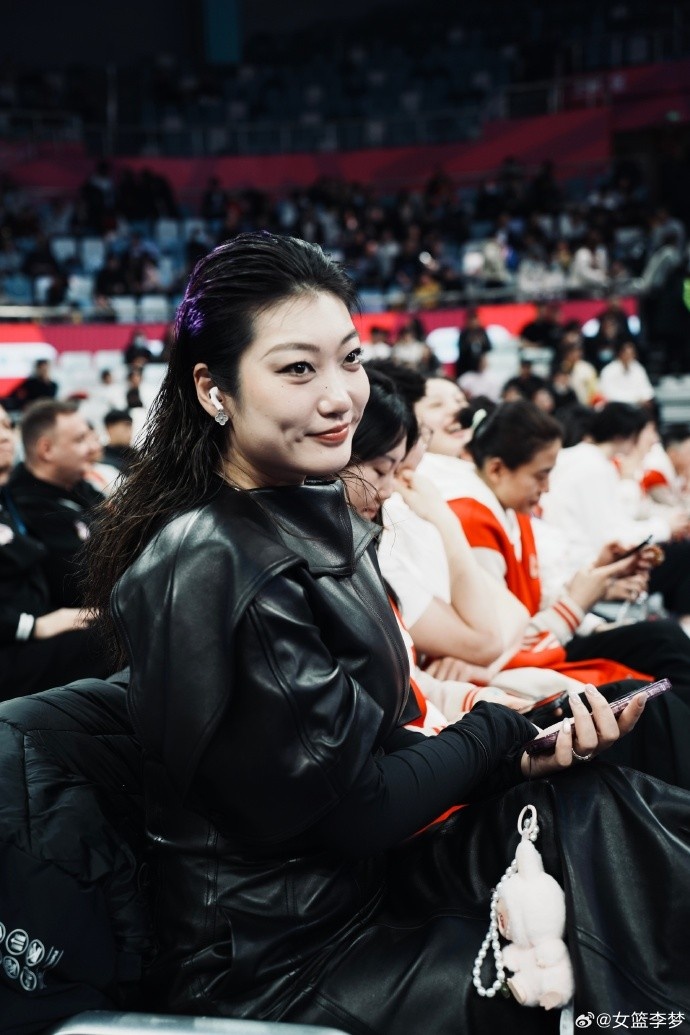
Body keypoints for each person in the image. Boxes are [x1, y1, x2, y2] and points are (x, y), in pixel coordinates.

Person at [83, 233, 690, 1029]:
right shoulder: (220, 559)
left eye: (351, 359)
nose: (340, 396)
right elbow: (354, 806)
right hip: (285, 958)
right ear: (213, 389)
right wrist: (495, 730)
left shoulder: (302, 518)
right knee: (617, 897)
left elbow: (352, 743)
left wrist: (519, 748)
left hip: (360, 889)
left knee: (601, 806)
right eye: (298, 369)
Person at [0, 403, 109, 697]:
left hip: (31, 632)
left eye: (7, 425)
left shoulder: (8, 501)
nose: (5, 436)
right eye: (79, 439)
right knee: (120, 634)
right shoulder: (29, 502)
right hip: (15, 646)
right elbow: (80, 577)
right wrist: (32, 626)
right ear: (45, 449)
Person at [8, 400, 105, 609]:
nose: (93, 447)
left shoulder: (76, 484)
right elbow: (88, 583)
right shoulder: (26, 507)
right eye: (80, 440)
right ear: (46, 450)